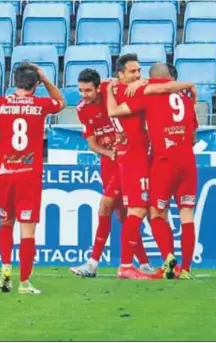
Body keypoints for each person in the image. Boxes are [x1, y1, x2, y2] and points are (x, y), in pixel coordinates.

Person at [0, 62, 65, 294]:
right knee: (27, 230)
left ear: (14, 82)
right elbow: (61, 103)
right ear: (35, 84)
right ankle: (24, 283)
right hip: (29, 176)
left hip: (4, 174)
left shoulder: (0, 104)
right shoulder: (40, 104)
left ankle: (6, 269)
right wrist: (46, 79)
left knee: (5, 223)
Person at [107, 62, 198, 279]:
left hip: (164, 161)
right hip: (187, 161)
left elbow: (116, 111)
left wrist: (111, 91)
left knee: (157, 213)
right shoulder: (185, 98)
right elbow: (194, 135)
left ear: (151, 78)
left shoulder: (148, 94)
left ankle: (168, 261)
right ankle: (185, 269)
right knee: (187, 214)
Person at [69, 68, 153, 278]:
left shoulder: (110, 88)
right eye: (81, 90)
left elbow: (127, 80)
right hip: (109, 162)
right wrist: (108, 152)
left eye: (88, 90)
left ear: (98, 88)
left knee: (107, 205)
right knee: (123, 213)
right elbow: (91, 143)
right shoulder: (81, 109)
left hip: (127, 158)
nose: (84, 95)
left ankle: (92, 263)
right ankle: (143, 263)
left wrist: (135, 82)